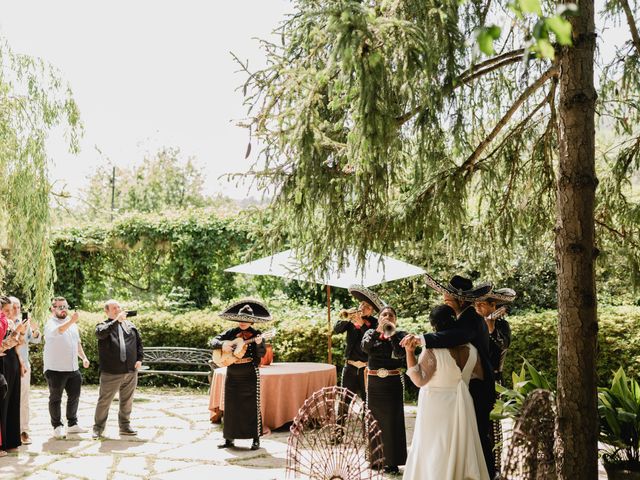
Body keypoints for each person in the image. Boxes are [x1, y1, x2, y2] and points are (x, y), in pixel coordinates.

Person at [400, 274, 496, 478]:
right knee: (467, 439)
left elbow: (456, 336)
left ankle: (485, 474)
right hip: (466, 388)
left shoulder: (471, 319)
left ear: (461, 300)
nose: (445, 304)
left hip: (478, 389)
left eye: (447, 301)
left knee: (477, 438)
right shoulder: (464, 318)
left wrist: (421, 339)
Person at [210, 299, 271, 451]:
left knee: (251, 406)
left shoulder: (258, 335)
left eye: (246, 320)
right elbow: (213, 341)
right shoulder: (231, 333)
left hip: (249, 372)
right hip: (232, 372)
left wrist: (258, 344)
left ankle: (255, 439)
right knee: (231, 405)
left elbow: (262, 355)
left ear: (252, 321)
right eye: (240, 319)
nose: (242, 322)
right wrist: (223, 344)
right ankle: (229, 439)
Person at [474, 287, 516, 476]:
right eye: (476, 303)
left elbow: (502, 346)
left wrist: (490, 327)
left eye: (482, 304)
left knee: (492, 426)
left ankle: (494, 468)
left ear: (494, 306)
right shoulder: (473, 323)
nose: (478, 307)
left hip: (493, 380)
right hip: (473, 379)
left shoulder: (502, 326)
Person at [361, 305, 407, 475]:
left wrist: (392, 334)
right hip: (374, 384)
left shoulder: (401, 335)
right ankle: (375, 459)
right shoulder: (370, 333)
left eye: (391, 315)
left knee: (393, 421)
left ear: (395, 318)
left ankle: (393, 462)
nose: (387, 317)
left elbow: (400, 354)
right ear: (379, 317)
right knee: (374, 421)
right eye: (384, 314)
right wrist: (378, 330)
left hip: (393, 383)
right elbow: (365, 348)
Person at [92, 300, 144, 439]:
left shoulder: (130, 326)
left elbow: (139, 344)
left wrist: (139, 359)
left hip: (130, 371)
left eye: (119, 307)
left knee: (127, 401)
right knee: (105, 401)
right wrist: (116, 320)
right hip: (111, 372)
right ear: (107, 311)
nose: (117, 309)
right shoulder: (103, 326)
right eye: (114, 308)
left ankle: (125, 426)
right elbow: (101, 334)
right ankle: (98, 428)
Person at [43, 297, 91, 439]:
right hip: (55, 369)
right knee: (55, 398)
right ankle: (57, 426)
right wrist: (72, 321)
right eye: (59, 307)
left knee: (74, 397)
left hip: (73, 368)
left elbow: (77, 343)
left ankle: (72, 424)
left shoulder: (72, 324)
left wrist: (84, 357)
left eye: (65, 306)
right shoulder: (50, 323)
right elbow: (60, 330)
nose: (63, 309)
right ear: (53, 309)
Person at [333, 285, 383, 400]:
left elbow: (374, 341)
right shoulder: (351, 319)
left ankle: (366, 419)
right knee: (345, 400)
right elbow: (336, 329)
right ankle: (343, 418)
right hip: (350, 366)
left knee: (367, 400)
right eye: (362, 304)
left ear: (371, 312)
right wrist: (348, 318)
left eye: (368, 307)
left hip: (366, 367)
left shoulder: (376, 323)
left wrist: (362, 325)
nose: (364, 308)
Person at [11, 297, 42, 445]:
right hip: (8, 365)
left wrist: (35, 329)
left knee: (24, 399)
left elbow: (36, 340)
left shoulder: (25, 324)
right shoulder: (6, 324)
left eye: (18, 307)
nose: (17, 310)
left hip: (24, 367)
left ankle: (24, 430)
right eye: (14, 307)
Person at [0, 295, 25, 454]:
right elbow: (3, 345)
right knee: (3, 403)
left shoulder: (8, 322)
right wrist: (16, 332)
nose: (10, 313)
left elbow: (18, 343)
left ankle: (11, 440)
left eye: (12, 310)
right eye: (6, 310)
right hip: (2, 364)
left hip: (12, 362)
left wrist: (21, 332)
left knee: (13, 401)